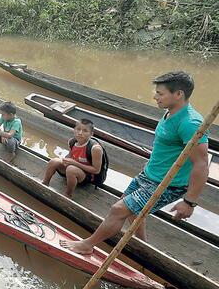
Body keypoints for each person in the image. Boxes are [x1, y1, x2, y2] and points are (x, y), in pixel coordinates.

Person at [61, 71, 209, 254]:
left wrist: (189, 202)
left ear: (179, 94)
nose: (155, 97)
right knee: (130, 210)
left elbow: (201, 163)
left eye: (160, 94)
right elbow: (166, 147)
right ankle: (143, 248)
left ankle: (87, 245)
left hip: (167, 184)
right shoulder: (169, 113)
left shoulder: (190, 123)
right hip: (149, 174)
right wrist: (150, 164)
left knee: (118, 210)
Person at [42, 118, 104, 198]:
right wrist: (65, 160)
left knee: (71, 169)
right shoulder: (72, 141)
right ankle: (45, 183)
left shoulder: (95, 149)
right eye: (78, 129)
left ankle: (68, 194)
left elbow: (96, 170)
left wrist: (74, 163)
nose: (80, 133)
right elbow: (70, 155)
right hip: (72, 169)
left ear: (91, 134)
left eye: (85, 131)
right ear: (74, 129)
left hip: (86, 176)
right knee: (54, 161)